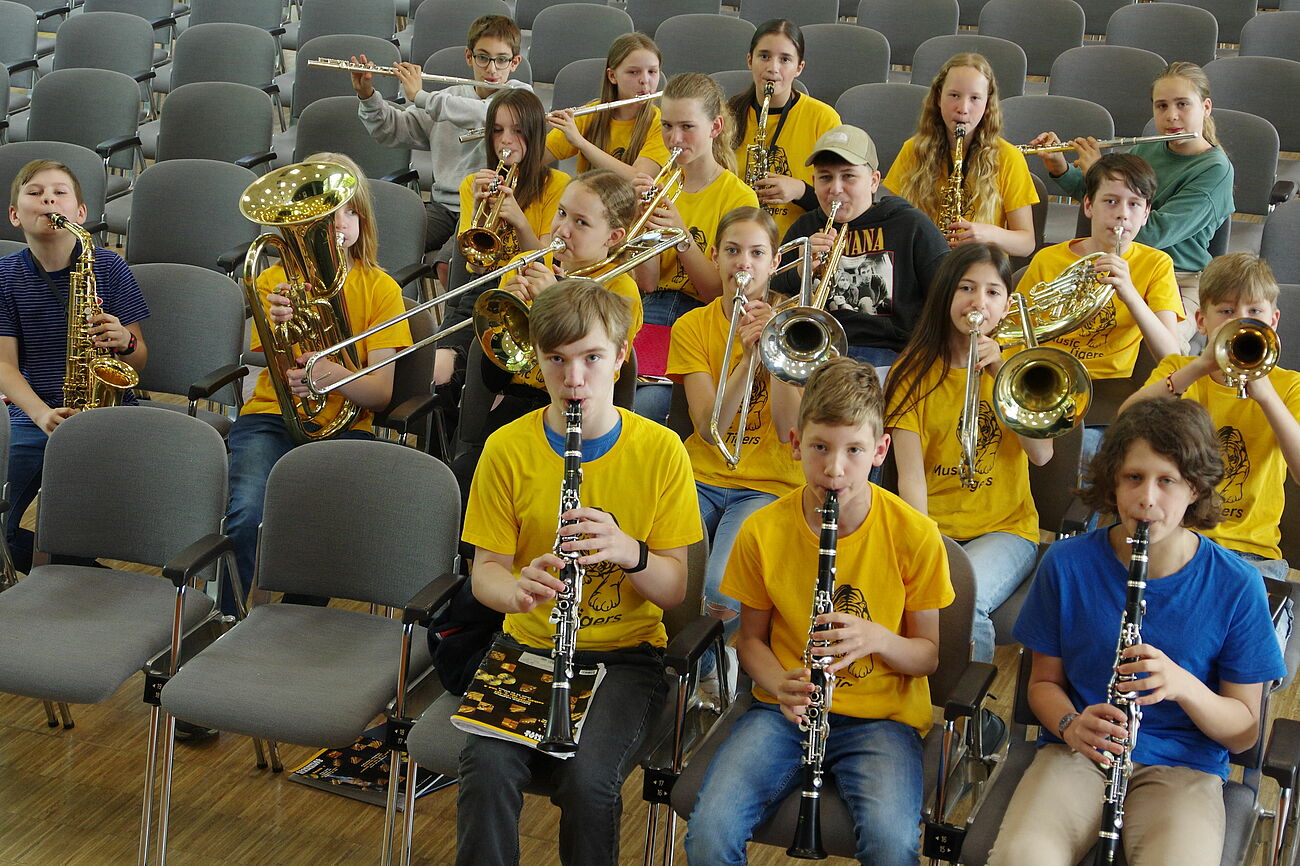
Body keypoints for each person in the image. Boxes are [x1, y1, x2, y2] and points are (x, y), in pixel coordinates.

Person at [457, 278, 701, 866]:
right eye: (557, 360)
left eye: (592, 358)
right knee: (485, 769)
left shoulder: (662, 450)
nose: (574, 379)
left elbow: (673, 590)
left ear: (620, 359)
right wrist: (516, 591)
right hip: (529, 646)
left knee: (588, 783)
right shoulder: (506, 449)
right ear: (535, 362)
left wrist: (629, 551)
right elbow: (484, 573)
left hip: (625, 654)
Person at [989, 397, 1286, 865]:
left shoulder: (1236, 584)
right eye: (1134, 478)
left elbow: (1244, 733)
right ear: (1113, 482)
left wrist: (1182, 684)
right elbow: (1043, 683)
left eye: (1167, 481)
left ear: (1194, 489)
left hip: (1184, 769)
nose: (1147, 498)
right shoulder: (1067, 565)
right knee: (1020, 858)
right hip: (1082, 753)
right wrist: (1070, 725)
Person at [683, 355, 954, 866]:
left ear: (880, 451)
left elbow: (927, 658)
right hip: (786, 712)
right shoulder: (763, 530)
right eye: (819, 448)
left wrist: (877, 639)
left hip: (882, 720)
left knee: (892, 844)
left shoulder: (914, 535)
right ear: (794, 445)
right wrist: (781, 681)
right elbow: (751, 642)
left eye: (854, 450)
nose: (834, 468)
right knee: (710, 832)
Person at [227, 152, 411, 617]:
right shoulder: (273, 280)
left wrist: (334, 376)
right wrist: (279, 324)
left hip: (348, 426)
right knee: (246, 512)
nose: (335, 226)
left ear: (362, 219)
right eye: (319, 217)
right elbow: (271, 364)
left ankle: (289, 618)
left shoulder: (380, 288)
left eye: (346, 211)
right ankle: (226, 617)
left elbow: (380, 394)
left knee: (323, 525)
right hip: (271, 417)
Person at [885, 243, 1052, 665]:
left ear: (1007, 305)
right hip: (935, 526)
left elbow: (1041, 455)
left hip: (1006, 529)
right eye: (966, 288)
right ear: (946, 296)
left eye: (993, 292)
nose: (979, 302)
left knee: (962, 595)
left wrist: (1003, 373)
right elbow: (911, 478)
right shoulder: (912, 373)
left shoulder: (1022, 371)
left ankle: (966, 719)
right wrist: (923, 546)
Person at [665, 207, 803, 693]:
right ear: (716, 257)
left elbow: (791, 431)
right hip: (700, 475)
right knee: (662, 571)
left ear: (774, 262)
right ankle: (695, 672)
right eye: (732, 251)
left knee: (718, 588)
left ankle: (716, 677)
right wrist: (747, 360)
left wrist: (776, 352)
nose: (743, 263)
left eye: (756, 253)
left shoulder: (797, 326)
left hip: (767, 485)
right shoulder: (692, 328)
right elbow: (709, 429)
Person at [449, 168, 645, 505]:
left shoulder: (622, 291)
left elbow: (602, 377)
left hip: (578, 419)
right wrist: (504, 313)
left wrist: (552, 302)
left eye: (581, 223)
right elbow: (495, 375)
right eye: (562, 213)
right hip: (516, 407)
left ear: (613, 237)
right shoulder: (524, 264)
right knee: (463, 484)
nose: (563, 229)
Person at [0, 159, 149, 575]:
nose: (48, 198)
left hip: (107, 410)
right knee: (1, 525)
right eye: (34, 193)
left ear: (80, 214)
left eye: (60, 192)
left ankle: (72, 571)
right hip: (36, 412)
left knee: (88, 518)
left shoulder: (109, 267)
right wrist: (41, 413)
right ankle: (75, 570)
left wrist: (126, 340)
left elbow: (139, 359)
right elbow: (4, 366)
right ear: (15, 216)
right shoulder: (4, 275)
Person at [1121, 253, 1300, 585]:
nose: (1240, 321)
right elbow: (1124, 423)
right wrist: (1197, 367)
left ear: (1273, 321)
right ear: (1202, 321)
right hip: (1176, 538)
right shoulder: (1178, 371)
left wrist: (1265, 395)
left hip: (1251, 554)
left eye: (1254, 312)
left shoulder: (1289, 386)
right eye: (1227, 311)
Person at [1029, 61, 1234, 350]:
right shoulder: (1150, 148)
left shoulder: (1215, 170)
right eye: (1161, 106)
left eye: (1183, 105)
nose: (1172, 116)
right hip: (1124, 261)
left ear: (1206, 107)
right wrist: (1061, 167)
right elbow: (1107, 203)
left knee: (1166, 346)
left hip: (1179, 276)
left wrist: (1096, 170)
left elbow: (1151, 232)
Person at [1023, 153, 1184, 472]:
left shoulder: (1156, 265)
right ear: (1088, 206)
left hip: (1108, 394)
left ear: (1146, 213)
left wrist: (1129, 292)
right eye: (1110, 201)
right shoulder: (1048, 260)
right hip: (1050, 385)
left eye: (1134, 204)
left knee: (1095, 460)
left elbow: (1171, 354)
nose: (1122, 215)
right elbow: (1015, 330)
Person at [353, 15, 532, 282]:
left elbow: (489, 113)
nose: (492, 69)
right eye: (483, 58)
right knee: (381, 242)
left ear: (515, 62)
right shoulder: (450, 98)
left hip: (486, 207)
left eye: (502, 59)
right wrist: (368, 96)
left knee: (450, 264)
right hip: (443, 207)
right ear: (469, 58)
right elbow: (392, 129)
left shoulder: (521, 96)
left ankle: (453, 321)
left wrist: (421, 97)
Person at [771, 124, 950, 373]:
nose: (835, 188)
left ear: (874, 181)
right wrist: (800, 272)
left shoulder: (909, 225)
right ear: (813, 181)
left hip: (888, 355)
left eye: (848, 176)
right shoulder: (806, 227)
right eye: (825, 177)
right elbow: (770, 297)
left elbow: (949, 291)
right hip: (815, 353)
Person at [633, 72, 759, 421]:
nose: (675, 139)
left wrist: (681, 236)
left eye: (687, 127)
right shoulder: (663, 185)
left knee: (645, 409)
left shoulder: (738, 197)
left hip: (705, 318)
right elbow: (648, 283)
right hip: (654, 308)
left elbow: (717, 292)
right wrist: (641, 222)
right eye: (667, 126)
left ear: (715, 127)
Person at [433, 88, 571, 392]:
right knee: (437, 367)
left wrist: (520, 220)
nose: (505, 140)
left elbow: (547, 261)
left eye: (517, 131)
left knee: (485, 373)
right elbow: (475, 265)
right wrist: (480, 211)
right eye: (497, 131)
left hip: (531, 294)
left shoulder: (558, 185)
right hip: (483, 290)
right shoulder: (473, 184)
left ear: (535, 135)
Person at [885, 53, 1038, 257]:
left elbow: (1027, 243)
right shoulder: (913, 150)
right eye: (954, 95)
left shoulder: (1008, 157)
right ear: (938, 97)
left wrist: (988, 234)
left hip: (980, 271)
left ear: (987, 105)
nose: (963, 109)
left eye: (975, 98)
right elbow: (893, 223)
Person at [726, 18, 842, 238]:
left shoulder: (824, 118)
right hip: (739, 242)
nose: (773, 68)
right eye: (764, 56)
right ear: (750, 60)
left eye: (785, 59)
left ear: (799, 68)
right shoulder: (727, 114)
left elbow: (840, 202)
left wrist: (800, 190)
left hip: (799, 242)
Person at [544, 33, 673, 180]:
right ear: (612, 76)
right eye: (633, 72)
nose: (645, 80)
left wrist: (581, 143)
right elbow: (534, 159)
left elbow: (639, 178)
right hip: (589, 200)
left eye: (652, 72)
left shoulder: (663, 125)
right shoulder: (589, 115)